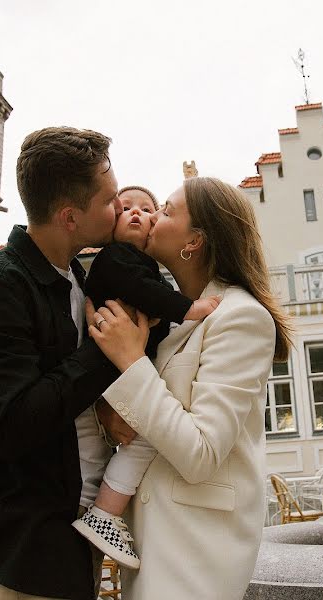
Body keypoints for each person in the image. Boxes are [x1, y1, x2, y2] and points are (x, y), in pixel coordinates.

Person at [0, 126, 129, 600]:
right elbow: (13, 424)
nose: (120, 209)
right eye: (109, 200)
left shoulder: (77, 281)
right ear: (70, 216)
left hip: (72, 535)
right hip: (23, 553)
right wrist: (106, 351)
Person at [85, 176, 293, 599]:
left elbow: (200, 454)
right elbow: (151, 413)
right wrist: (108, 415)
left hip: (197, 548)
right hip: (155, 540)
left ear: (194, 240)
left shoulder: (241, 317)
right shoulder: (169, 316)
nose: (151, 216)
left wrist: (130, 359)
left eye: (166, 210)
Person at [72, 185, 220, 569]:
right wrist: (191, 308)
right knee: (141, 443)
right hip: (111, 367)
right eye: (125, 208)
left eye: (148, 209)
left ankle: (103, 511)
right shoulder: (117, 258)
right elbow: (147, 295)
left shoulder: (143, 267)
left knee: (139, 442)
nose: (136, 213)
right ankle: (103, 513)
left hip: (121, 370)